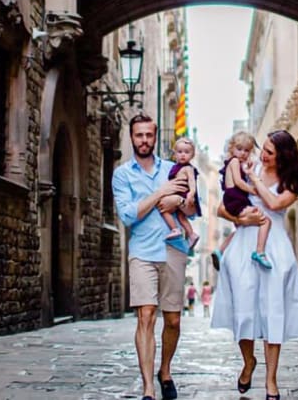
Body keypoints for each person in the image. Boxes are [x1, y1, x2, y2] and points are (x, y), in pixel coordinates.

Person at [210, 130, 298, 400]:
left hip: (274, 248)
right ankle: (248, 361)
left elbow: (275, 203)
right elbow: (221, 208)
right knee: (243, 313)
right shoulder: (248, 167)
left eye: (269, 152)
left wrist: (253, 178)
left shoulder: (293, 182)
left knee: (272, 313)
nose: (262, 155)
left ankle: (271, 380)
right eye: (263, 149)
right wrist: (241, 220)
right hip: (243, 245)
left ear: (283, 156)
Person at [112, 113, 197, 400]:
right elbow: (127, 216)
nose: (144, 140)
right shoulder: (122, 174)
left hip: (174, 250)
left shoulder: (175, 168)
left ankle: (165, 370)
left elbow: (193, 210)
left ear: (155, 135)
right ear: (132, 137)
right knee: (145, 316)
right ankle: (148, 388)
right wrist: (161, 194)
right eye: (139, 135)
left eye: (149, 135)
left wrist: (180, 202)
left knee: (172, 320)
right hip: (143, 252)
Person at [212, 131, 272, 271]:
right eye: (239, 149)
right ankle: (259, 252)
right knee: (265, 220)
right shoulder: (233, 162)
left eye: (247, 150)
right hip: (236, 200)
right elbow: (238, 182)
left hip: (234, 199)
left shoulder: (238, 163)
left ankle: (220, 250)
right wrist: (254, 190)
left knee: (240, 229)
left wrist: (248, 169)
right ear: (231, 148)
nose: (243, 153)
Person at [159, 137, 201, 250]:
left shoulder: (188, 168)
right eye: (180, 152)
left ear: (192, 155)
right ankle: (191, 234)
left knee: (164, 210)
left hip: (183, 196)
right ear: (175, 154)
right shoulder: (176, 167)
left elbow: (192, 183)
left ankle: (175, 229)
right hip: (178, 195)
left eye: (187, 152)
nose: (183, 155)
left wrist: (191, 194)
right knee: (181, 216)